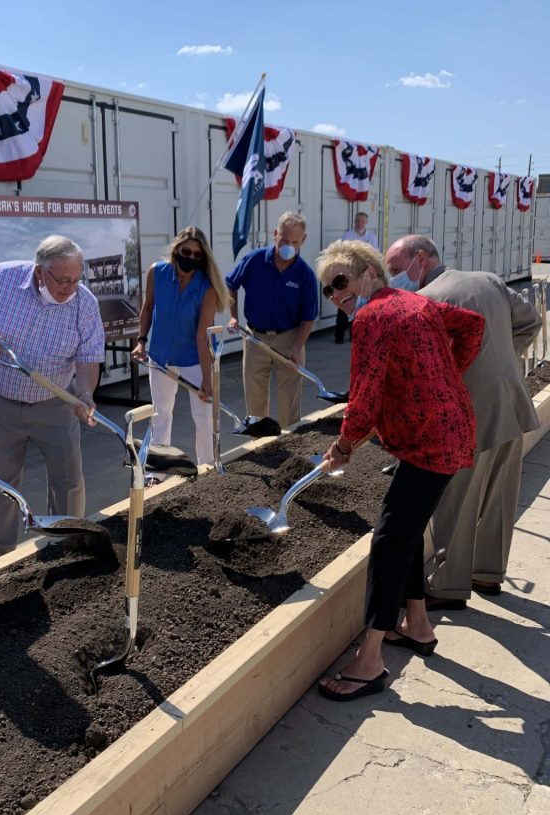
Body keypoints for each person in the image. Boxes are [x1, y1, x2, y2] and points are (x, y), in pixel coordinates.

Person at [315, 241, 485, 701]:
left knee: (389, 539)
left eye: (341, 281)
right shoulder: (418, 302)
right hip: (443, 432)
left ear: (370, 273)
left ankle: (369, 661)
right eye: (328, 289)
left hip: (431, 443)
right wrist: (447, 375)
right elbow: (473, 325)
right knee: (404, 530)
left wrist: (343, 445)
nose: (335, 294)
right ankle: (418, 625)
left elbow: (364, 396)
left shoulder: (372, 316)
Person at [385, 234, 541, 609]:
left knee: (456, 501)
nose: (393, 278)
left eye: (395, 269)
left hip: (466, 417)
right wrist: (504, 357)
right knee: (501, 496)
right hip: (511, 404)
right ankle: (488, 574)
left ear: (420, 258)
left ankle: (448, 585)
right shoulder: (488, 279)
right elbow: (531, 321)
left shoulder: (423, 301)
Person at [0, 235, 105, 562]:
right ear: (40, 272)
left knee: (68, 483)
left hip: (57, 406)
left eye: (76, 279)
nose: (70, 288)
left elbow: (88, 357)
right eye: (63, 280)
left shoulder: (84, 304)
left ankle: (66, 548)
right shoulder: (2, 278)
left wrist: (84, 394)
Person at [131, 227, 228, 467]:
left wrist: (207, 379)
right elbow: (148, 306)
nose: (191, 258)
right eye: (187, 252)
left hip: (196, 358)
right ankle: (158, 470)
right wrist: (141, 341)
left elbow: (201, 336)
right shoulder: (157, 272)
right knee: (161, 414)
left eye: (197, 255)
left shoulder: (207, 288)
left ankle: (207, 466)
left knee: (204, 416)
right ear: (177, 250)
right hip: (161, 357)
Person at [226, 211, 318, 428]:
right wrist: (233, 317)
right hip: (254, 337)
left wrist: (297, 347)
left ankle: (290, 443)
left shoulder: (304, 274)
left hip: (290, 339)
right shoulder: (254, 260)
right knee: (255, 395)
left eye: (295, 242)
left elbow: (308, 317)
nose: (289, 245)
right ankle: (260, 439)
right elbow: (230, 285)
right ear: (275, 234)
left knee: (289, 397)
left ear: (303, 241)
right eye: (284, 240)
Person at [334, 211, 378, 344]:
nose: (359, 223)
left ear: (366, 222)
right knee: (343, 303)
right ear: (354, 221)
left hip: (363, 274)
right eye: (357, 221)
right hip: (348, 273)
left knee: (361, 305)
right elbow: (342, 253)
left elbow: (374, 254)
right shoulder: (347, 235)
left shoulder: (371, 236)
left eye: (362, 221)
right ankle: (339, 336)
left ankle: (355, 335)